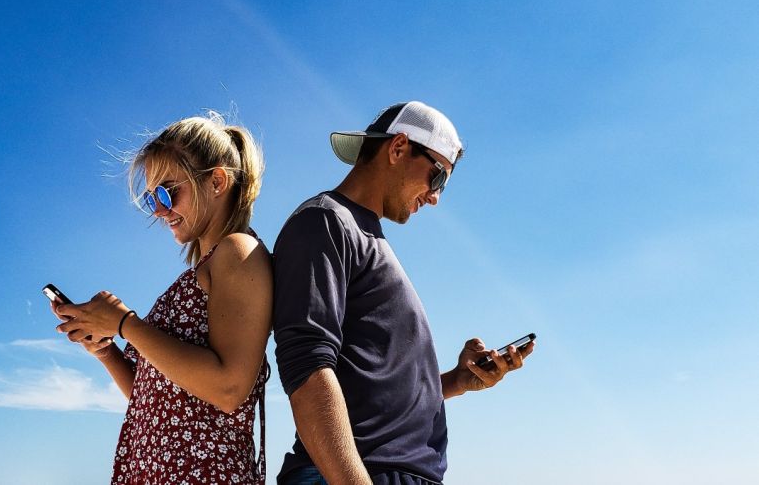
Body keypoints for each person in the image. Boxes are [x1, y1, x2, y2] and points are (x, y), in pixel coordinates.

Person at [273, 101, 535, 485]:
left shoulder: (366, 238)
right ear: (398, 148)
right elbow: (307, 366)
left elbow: (373, 389)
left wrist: (455, 382)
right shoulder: (325, 221)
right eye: (438, 178)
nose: (435, 197)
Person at [51, 113, 272, 484]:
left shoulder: (237, 251)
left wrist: (125, 324)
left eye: (169, 192)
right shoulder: (200, 270)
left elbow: (229, 388)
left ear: (217, 181)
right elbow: (155, 399)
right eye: (152, 197)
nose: (159, 209)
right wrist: (106, 349)